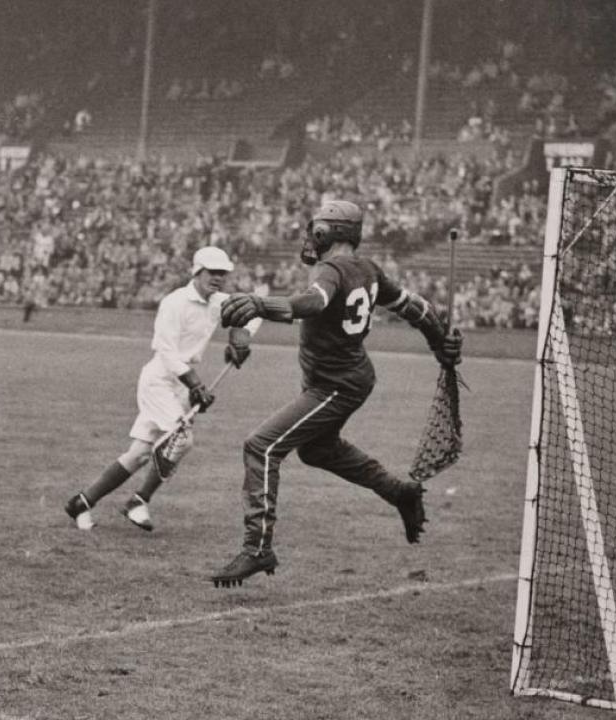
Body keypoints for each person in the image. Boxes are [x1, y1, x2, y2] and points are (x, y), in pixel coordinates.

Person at [209, 200, 463, 587]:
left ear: (328, 232)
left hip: (335, 385)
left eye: (316, 230)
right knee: (317, 450)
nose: (311, 237)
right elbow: (418, 309)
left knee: (260, 446)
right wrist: (440, 342)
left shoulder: (331, 269)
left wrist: (260, 304)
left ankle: (258, 547)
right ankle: (400, 493)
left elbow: (314, 302)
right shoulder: (367, 269)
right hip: (346, 379)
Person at [64, 247, 259, 532]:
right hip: (159, 380)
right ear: (197, 272)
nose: (217, 279)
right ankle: (139, 500)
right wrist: (195, 384)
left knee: (140, 453)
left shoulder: (220, 302)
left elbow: (254, 311)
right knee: (182, 439)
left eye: (222, 274)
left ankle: (81, 502)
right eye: (212, 273)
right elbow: (165, 351)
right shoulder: (175, 302)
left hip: (181, 385)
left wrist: (239, 338)